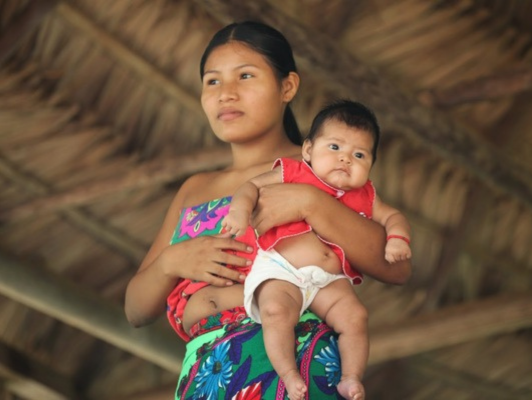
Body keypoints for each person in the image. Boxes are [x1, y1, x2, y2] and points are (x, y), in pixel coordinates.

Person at [124, 21, 412, 400]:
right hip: (205, 371)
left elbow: (396, 266)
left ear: (287, 87)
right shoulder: (194, 189)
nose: (226, 94)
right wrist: (171, 262)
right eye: (212, 81)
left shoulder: (321, 168)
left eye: (245, 76)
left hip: (292, 358)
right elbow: (135, 309)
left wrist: (311, 203)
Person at [221, 99, 411, 400]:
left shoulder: (366, 195)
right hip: (281, 268)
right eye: (334, 148)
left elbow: (393, 217)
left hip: (328, 281)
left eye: (359, 155)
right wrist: (238, 211)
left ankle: (351, 378)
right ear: (308, 150)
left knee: (355, 316)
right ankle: (289, 374)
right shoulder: (295, 172)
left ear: (371, 165)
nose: (345, 159)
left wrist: (398, 238)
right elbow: (251, 187)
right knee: (275, 311)